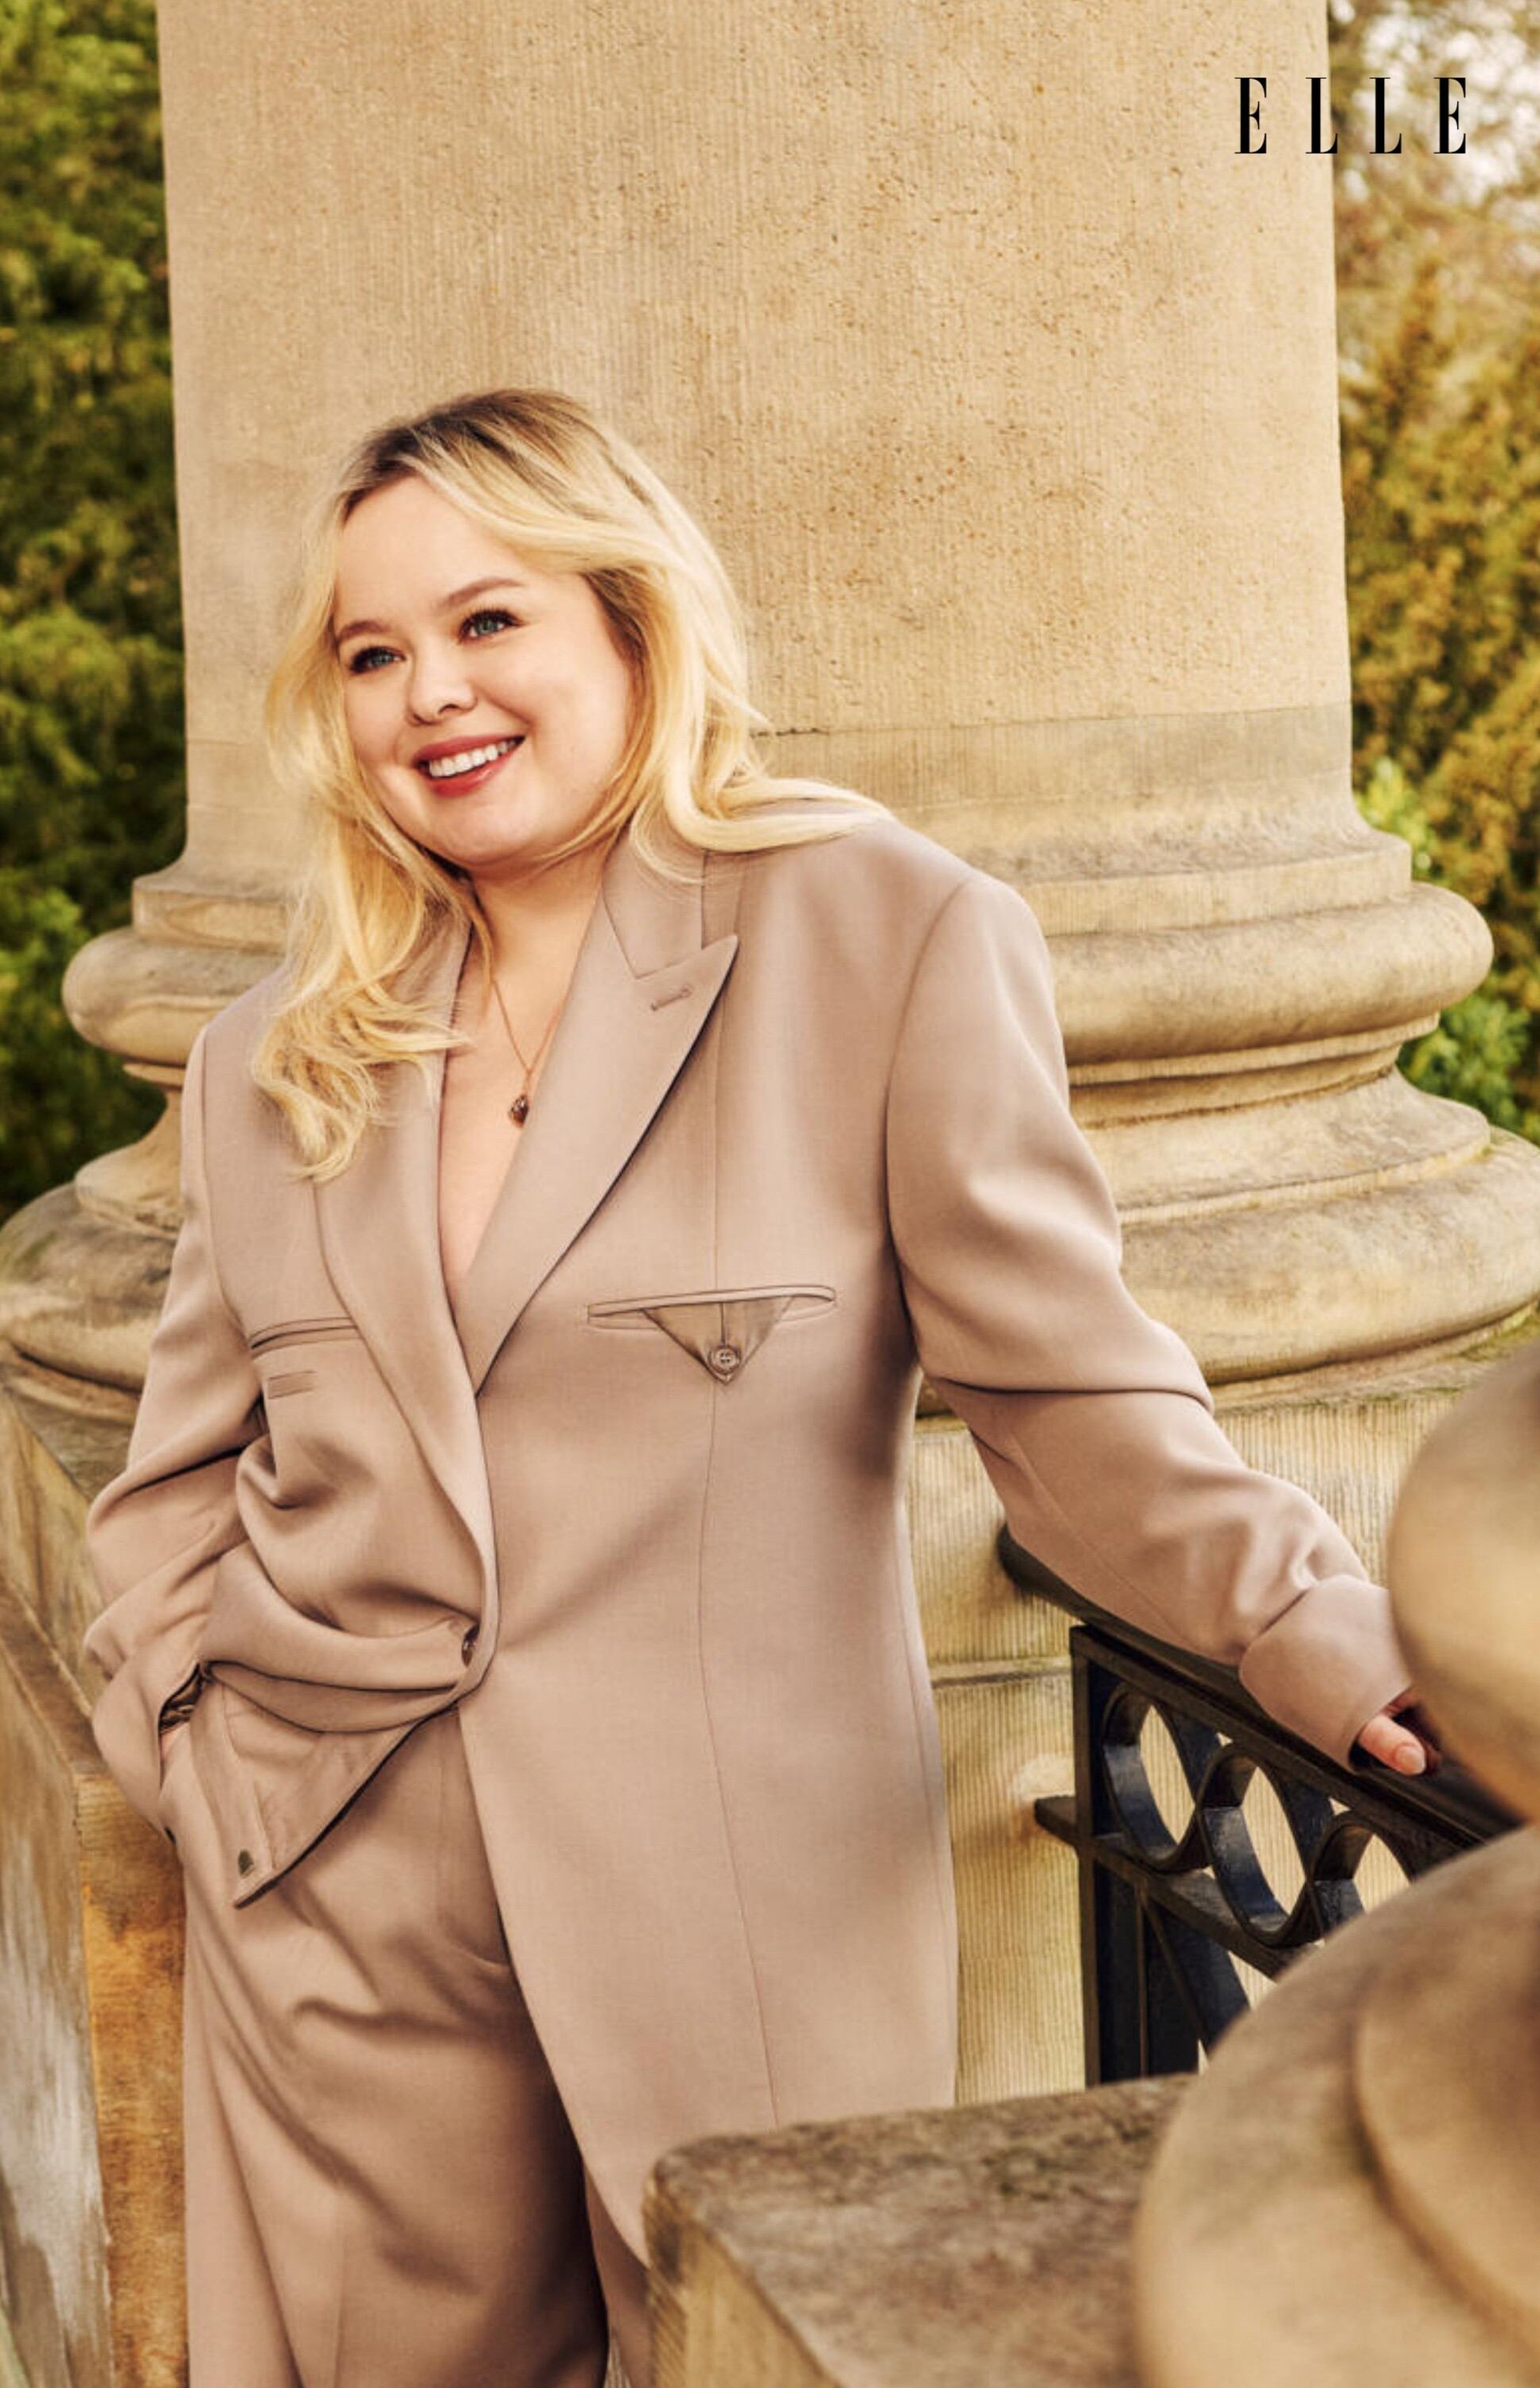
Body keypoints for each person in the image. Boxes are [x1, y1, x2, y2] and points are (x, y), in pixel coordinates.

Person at [81, 388, 1435, 2388]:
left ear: (630, 624)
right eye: (371, 653)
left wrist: (1311, 1622)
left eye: (489, 621)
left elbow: (1067, 1399)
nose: (429, 693)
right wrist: (198, 1752)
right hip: (335, 1904)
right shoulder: (280, 1049)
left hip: (738, 1899)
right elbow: (180, 1475)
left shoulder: (881, 934)